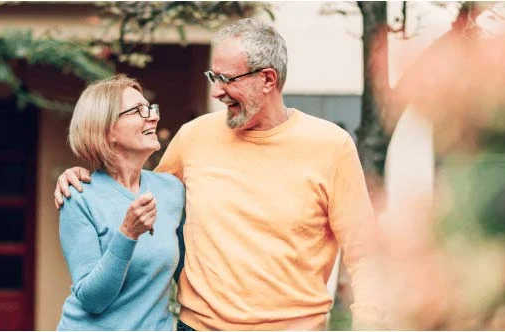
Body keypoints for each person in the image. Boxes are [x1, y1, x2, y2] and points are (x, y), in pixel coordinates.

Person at [54, 19, 381, 330]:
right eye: (214, 77)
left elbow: (365, 254)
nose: (216, 91)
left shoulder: (330, 146)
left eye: (228, 79)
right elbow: (133, 188)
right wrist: (85, 174)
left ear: (267, 79)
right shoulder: (193, 137)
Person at [56, 74, 185, 331]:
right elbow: (92, 300)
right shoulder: (79, 196)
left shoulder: (172, 190)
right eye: (138, 111)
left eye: (150, 108)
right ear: (106, 130)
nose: (153, 117)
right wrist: (127, 234)